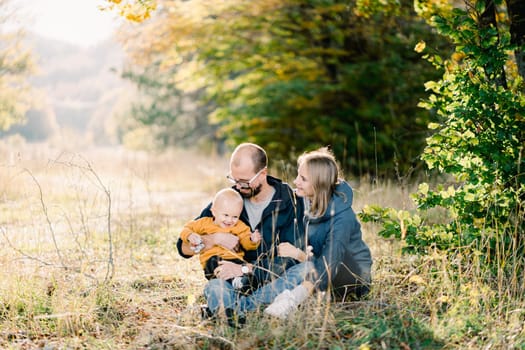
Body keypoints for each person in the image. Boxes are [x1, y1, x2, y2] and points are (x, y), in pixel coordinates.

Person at [175, 143, 304, 325]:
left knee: (302, 271)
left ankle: (233, 309)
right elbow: (183, 248)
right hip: (230, 281)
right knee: (215, 286)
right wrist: (213, 239)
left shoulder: (289, 202)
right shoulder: (229, 198)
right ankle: (248, 310)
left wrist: (244, 269)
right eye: (234, 180)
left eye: (244, 181)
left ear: (263, 174)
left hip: (267, 281)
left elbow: (290, 259)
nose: (238, 186)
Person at [262, 147, 373, 318]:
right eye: (298, 175)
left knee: (303, 266)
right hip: (318, 266)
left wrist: (300, 255)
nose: (295, 181)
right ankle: (269, 295)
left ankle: (290, 300)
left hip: (351, 276)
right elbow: (276, 194)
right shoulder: (306, 200)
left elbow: (330, 264)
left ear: (319, 184)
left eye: (303, 179)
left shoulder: (342, 219)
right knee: (289, 263)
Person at [179, 188, 262, 294]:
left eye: (235, 217)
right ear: (213, 211)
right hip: (213, 260)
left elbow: (246, 241)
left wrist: (252, 240)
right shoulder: (204, 223)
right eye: (226, 215)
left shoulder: (240, 226)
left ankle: (245, 284)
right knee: (215, 264)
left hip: (234, 260)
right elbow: (186, 229)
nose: (229, 220)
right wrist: (190, 235)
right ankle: (233, 284)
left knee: (243, 267)